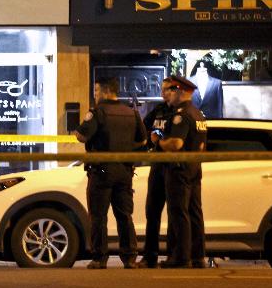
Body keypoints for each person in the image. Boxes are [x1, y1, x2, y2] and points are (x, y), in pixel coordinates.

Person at [74, 77, 147, 269]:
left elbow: (82, 136)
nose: (95, 95)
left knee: (98, 217)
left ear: (106, 91)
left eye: (96, 91)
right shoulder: (131, 113)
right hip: (124, 171)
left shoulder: (98, 112)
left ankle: (99, 258)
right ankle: (129, 257)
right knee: (124, 216)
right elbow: (142, 140)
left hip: (101, 172)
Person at [158, 75, 208, 268]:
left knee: (179, 213)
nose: (168, 94)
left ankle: (181, 257)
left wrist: (160, 143)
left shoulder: (182, 114)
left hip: (179, 170)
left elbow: (176, 143)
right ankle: (198, 257)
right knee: (195, 213)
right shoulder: (198, 114)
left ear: (179, 91)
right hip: (194, 168)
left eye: (171, 90)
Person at [136, 78, 176, 269]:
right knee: (152, 212)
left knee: (175, 214)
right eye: (162, 89)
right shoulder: (159, 110)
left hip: (174, 168)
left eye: (167, 89)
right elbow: (144, 127)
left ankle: (174, 255)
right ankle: (150, 256)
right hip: (157, 166)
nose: (163, 93)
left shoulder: (180, 113)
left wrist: (158, 140)